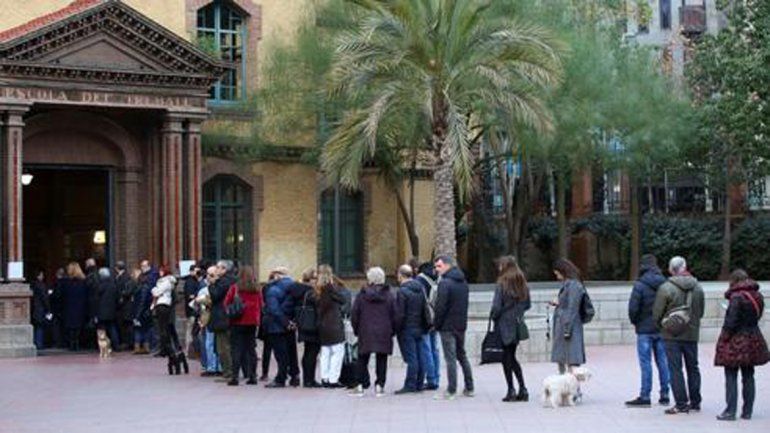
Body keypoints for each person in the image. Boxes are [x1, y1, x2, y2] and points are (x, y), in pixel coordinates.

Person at [714, 270, 770, 421]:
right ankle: (747, 411)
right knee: (749, 375)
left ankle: (730, 411)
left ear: (733, 280)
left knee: (731, 374)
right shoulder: (757, 295)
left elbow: (730, 322)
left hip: (736, 340)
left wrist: (723, 339)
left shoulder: (736, 297)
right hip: (753, 337)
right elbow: (758, 316)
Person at [652, 256, 705, 415]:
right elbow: (700, 312)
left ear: (670, 270)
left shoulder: (665, 288)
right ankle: (695, 402)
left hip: (671, 334)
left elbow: (657, 314)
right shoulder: (698, 287)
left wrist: (664, 326)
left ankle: (681, 403)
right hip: (692, 333)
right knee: (693, 367)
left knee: (675, 369)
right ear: (685, 267)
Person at [626, 254, 671, 407]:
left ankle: (645, 396)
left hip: (644, 330)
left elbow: (633, 308)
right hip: (661, 328)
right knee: (663, 362)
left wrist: (636, 322)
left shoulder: (639, 285)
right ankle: (665, 394)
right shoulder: (665, 283)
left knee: (646, 363)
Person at [349, 267, 398, 397]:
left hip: (365, 330)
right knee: (382, 358)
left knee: (362, 357)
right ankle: (379, 386)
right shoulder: (389, 295)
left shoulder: (362, 295)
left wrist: (357, 329)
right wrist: (392, 330)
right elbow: (395, 315)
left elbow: (355, 314)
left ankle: (359, 385)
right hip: (384, 331)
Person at [433, 255, 474, 400]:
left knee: (450, 358)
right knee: (461, 355)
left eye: (439, 266)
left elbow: (440, 307)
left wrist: (436, 324)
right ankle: (469, 387)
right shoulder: (463, 282)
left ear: (447, 265)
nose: (436, 269)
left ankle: (451, 390)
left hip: (447, 326)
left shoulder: (445, 283)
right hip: (460, 324)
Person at [491, 256, 531, 402]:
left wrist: (495, 316)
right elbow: (528, 304)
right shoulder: (522, 283)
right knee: (512, 356)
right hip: (517, 323)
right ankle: (523, 388)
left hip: (504, 323)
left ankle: (511, 390)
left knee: (506, 358)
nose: (499, 268)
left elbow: (496, 307)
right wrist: (517, 312)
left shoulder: (502, 283)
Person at [224, 265, 262, 386]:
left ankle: (235, 376)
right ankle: (253, 376)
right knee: (251, 349)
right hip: (252, 322)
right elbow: (261, 304)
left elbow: (226, 303)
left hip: (237, 321)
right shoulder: (257, 288)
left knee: (236, 349)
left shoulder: (235, 287)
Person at [550, 259, 587, 379]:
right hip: (566, 325)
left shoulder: (574, 285)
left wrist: (567, 328)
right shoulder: (569, 284)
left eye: (557, 274)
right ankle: (565, 385)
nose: (557, 277)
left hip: (568, 327)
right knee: (564, 360)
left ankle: (572, 387)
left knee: (571, 361)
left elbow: (572, 308)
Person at [394, 264, 429, 394]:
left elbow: (400, 314)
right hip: (419, 326)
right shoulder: (420, 288)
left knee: (411, 358)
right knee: (421, 356)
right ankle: (419, 383)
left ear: (401, 275)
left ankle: (410, 384)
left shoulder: (402, 291)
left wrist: (396, 328)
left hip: (407, 328)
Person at [287, 267, 322, 388]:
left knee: (308, 351)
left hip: (303, 323)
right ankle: (309, 379)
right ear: (310, 279)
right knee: (312, 352)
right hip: (313, 324)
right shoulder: (311, 292)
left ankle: (307, 378)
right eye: (315, 278)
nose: (317, 280)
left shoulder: (297, 289)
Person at [316, 264, 347, 388]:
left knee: (325, 352)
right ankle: (333, 379)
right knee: (337, 352)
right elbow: (343, 299)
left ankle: (324, 378)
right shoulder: (331, 288)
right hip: (333, 324)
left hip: (322, 324)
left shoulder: (317, 290)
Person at [413, 259, 440, 390]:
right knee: (434, 349)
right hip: (436, 317)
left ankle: (431, 379)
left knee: (426, 349)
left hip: (425, 318)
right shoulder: (437, 279)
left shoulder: (419, 281)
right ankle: (436, 377)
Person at [151, 267, 184, 374]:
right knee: (167, 332)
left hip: (164, 307)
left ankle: (171, 354)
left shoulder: (166, 281)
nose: (159, 272)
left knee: (165, 332)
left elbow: (156, 292)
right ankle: (171, 352)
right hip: (165, 308)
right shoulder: (166, 281)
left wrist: (154, 289)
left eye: (161, 271)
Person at [209, 260, 236, 382]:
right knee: (227, 346)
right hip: (229, 317)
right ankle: (230, 372)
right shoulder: (232, 280)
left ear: (224, 269)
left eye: (218, 267)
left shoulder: (224, 282)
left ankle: (228, 373)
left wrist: (212, 284)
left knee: (223, 347)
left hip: (222, 318)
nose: (216, 270)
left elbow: (215, 296)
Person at [62, 262, 89, 351]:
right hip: (80, 308)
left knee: (71, 327)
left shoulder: (66, 282)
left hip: (69, 307)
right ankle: (77, 344)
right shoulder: (84, 282)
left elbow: (62, 295)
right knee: (78, 327)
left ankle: (71, 344)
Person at [95, 267, 120, 351]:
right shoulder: (113, 285)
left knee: (102, 329)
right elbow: (117, 298)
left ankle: (103, 346)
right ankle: (116, 345)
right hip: (112, 311)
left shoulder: (100, 286)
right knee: (112, 328)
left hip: (101, 311)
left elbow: (96, 299)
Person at [183, 264, 203, 357]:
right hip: (192, 310)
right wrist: (197, 296)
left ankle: (190, 350)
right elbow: (190, 296)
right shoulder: (190, 282)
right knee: (191, 330)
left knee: (192, 330)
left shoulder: (195, 281)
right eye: (196, 271)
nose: (197, 273)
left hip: (194, 310)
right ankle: (189, 350)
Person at [114, 261, 134, 351]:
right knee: (123, 325)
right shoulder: (121, 277)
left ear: (117, 268)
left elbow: (127, 291)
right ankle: (126, 342)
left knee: (126, 325)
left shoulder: (126, 277)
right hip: (122, 306)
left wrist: (121, 296)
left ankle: (128, 343)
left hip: (125, 306)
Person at [30, 270, 51, 350]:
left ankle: (36, 342)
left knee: (37, 326)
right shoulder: (40, 285)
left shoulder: (33, 285)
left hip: (35, 308)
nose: (43, 276)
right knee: (40, 327)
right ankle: (39, 344)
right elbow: (44, 298)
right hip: (40, 309)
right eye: (41, 275)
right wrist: (48, 308)